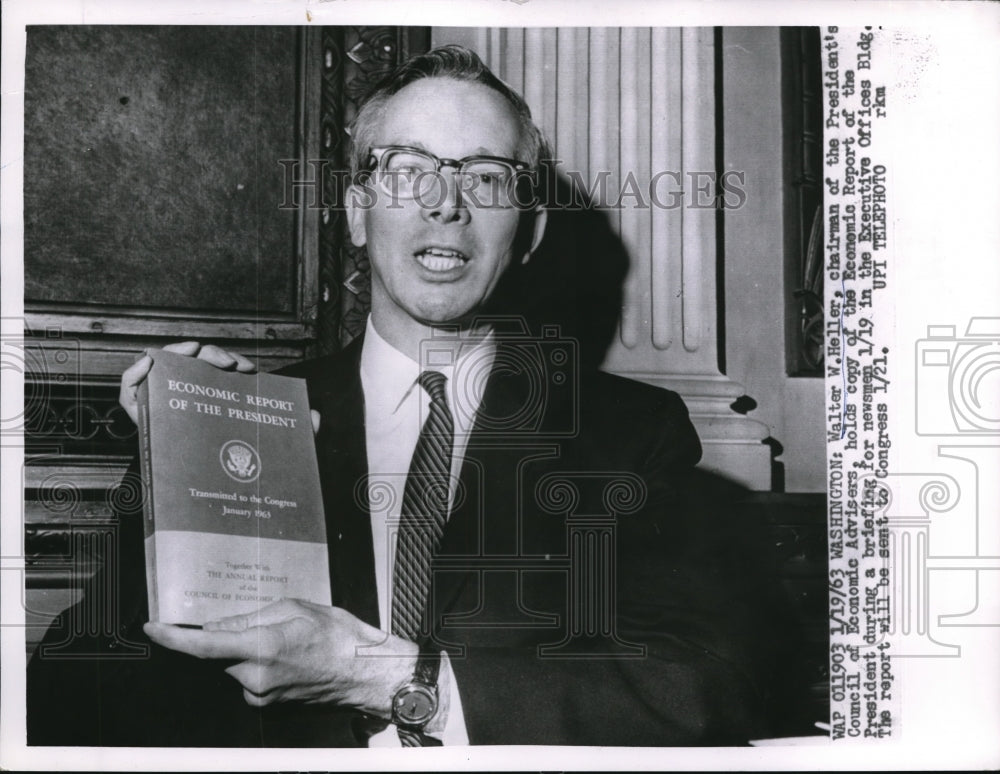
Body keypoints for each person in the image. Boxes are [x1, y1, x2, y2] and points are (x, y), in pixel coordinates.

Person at [27, 45, 788, 747]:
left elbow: (705, 686)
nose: (444, 203)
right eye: (404, 169)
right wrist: (179, 463)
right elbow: (65, 690)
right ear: (357, 213)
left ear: (528, 231)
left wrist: (389, 677)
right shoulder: (248, 425)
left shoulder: (632, 435)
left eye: (485, 176)